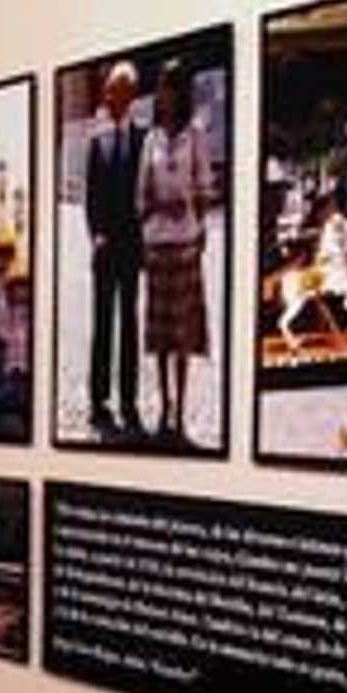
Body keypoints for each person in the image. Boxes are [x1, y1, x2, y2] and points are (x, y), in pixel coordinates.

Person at [137, 58, 212, 445]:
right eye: (162, 87)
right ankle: (163, 405)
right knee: (161, 336)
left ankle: (180, 410)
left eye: (172, 87)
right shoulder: (150, 139)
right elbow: (140, 197)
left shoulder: (195, 135)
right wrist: (156, 205)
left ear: (182, 93)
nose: (165, 94)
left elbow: (205, 187)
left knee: (182, 335)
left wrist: (195, 214)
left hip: (184, 245)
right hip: (156, 245)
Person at [83, 59, 146, 437]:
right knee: (102, 325)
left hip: (133, 248)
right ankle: (98, 400)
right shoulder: (97, 142)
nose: (108, 96)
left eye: (114, 89)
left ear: (129, 95)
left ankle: (129, 401)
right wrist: (95, 235)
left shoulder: (144, 139)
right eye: (107, 89)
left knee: (129, 326)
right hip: (105, 250)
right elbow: (91, 199)